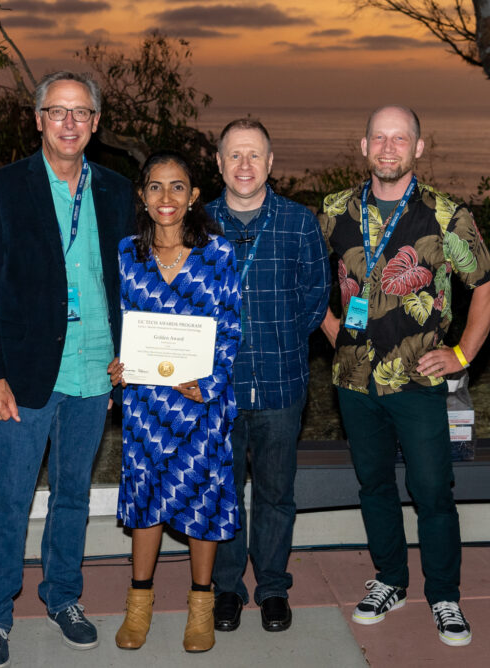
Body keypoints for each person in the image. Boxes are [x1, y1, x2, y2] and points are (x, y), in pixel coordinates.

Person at [0, 71, 135, 668]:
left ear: (94, 123)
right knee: (8, 498)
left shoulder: (117, 191)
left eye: (80, 112)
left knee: (72, 494)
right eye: (57, 111)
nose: (69, 122)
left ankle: (63, 596)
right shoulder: (1, 189)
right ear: (37, 120)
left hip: (95, 369)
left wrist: (130, 355)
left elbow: (128, 285)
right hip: (25, 374)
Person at [318, 105, 490, 647]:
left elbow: (487, 286)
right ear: (364, 145)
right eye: (380, 137)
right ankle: (390, 580)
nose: (389, 147)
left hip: (419, 379)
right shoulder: (334, 210)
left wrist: (463, 354)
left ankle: (444, 595)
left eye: (401, 138)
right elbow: (304, 279)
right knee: (373, 484)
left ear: (419, 148)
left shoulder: (447, 215)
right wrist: (330, 326)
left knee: (431, 490)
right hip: (353, 379)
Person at [107, 151, 241, 653]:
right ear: (142, 196)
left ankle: (200, 606)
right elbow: (115, 320)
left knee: (202, 498)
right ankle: (138, 605)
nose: (167, 198)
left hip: (200, 404)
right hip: (144, 401)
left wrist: (207, 382)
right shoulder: (125, 253)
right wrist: (116, 363)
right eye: (157, 187)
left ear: (194, 196)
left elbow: (230, 327)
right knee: (146, 499)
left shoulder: (218, 254)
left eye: (178, 187)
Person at [205, 118, 331, 632]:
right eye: (234, 155)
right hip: (217, 387)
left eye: (254, 155)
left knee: (277, 492)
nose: (244, 165)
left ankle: (273, 585)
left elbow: (316, 297)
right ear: (218, 163)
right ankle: (228, 587)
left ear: (271, 163)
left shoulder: (300, 223)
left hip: (281, 382)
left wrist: (279, 342)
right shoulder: (199, 223)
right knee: (225, 489)